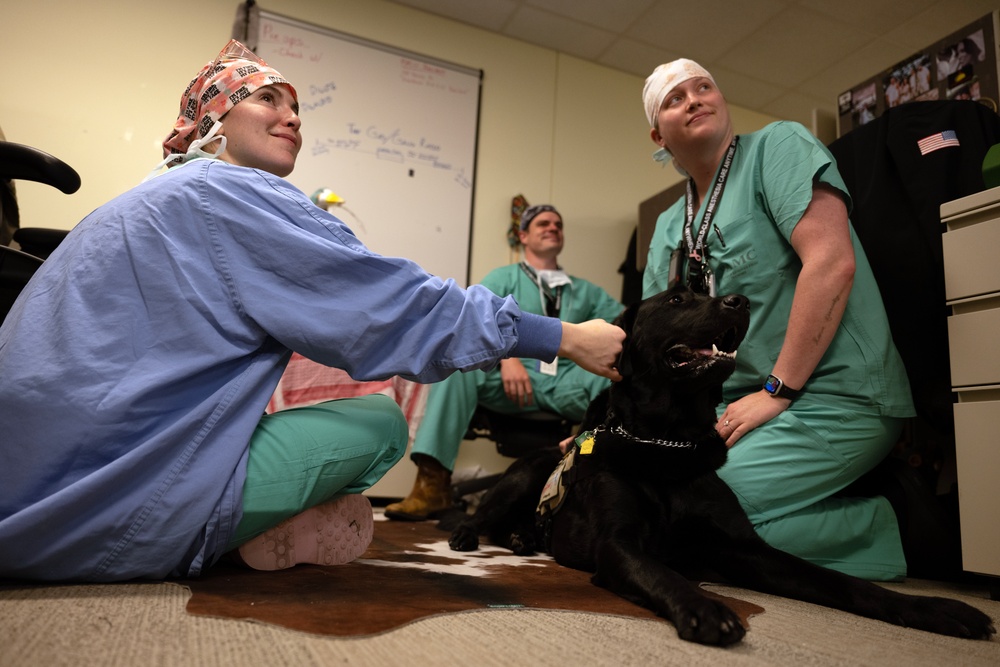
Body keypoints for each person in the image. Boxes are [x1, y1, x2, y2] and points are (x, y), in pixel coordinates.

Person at [0, 40, 624, 582]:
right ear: (216, 120)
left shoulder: (156, 195)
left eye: (296, 107)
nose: (292, 117)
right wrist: (562, 337)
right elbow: (397, 307)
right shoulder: (231, 194)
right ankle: (220, 533)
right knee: (379, 423)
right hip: (95, 510)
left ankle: (270, 521)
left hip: (28, 478)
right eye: (267, 100)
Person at [640, 59, 923, 581]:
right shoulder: (666, 228)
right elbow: (660, 344)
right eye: (676, 98)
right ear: (659, 134)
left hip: (837, 397)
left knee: (686, 522)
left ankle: (893, 520)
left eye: (705, 87)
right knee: (642, 506)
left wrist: (778, 389)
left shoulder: (778, 148)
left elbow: (832, 263)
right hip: (736, 408)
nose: (696, 98)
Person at [385, 204, 623, 520]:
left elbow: (622, 326)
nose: (552, 227)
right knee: (457, 365)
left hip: (568, 380)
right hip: (511, 377)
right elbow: (473, 323)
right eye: (543, 223)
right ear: (523, 235)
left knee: (619, 379)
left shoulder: (585, 291)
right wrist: (505, 359)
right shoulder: (503, 277)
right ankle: (432, 485)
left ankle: (602, 492)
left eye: (558, 224)